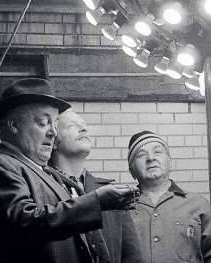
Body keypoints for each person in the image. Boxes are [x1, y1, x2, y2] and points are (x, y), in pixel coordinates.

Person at [0, 78, 139, 263]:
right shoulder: (0, 166)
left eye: (55, 124)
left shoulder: (45, 173)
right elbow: (26, 222)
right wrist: (97, 202)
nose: (53, 132)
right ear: (14, 125)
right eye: (43, 123)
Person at [48, 109, 142, 263]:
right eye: (73, 125)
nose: (84, 129)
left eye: (84, 125)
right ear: (54, 140)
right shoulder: (41, 189)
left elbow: (132, 256)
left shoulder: (112, 194)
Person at [127, 130, 211, 263]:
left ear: (169, 162)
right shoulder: (121, 210)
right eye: (141, 155)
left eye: (157, 152)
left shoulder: (199, 205)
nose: (151, 158)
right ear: (132, 170)